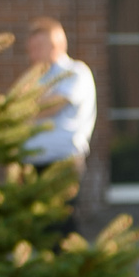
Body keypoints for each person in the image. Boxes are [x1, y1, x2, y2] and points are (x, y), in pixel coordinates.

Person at [21, 18, 96, 166]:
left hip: (62, 162)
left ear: (57, 46)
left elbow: (51, 106)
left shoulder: (75, 72)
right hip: (31, 163)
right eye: (31, 49)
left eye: (39, 47)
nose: (33, 54)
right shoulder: (35, 79)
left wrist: (19, 111)